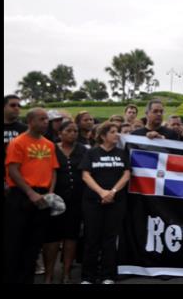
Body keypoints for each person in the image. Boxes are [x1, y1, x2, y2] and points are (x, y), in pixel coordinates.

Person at [4, 108, 59, 283]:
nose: (46, 122)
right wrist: (30, 193)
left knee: (34, 245)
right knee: (15, 243)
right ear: (30, 121)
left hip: (42, 196)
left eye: (47, 119)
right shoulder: (18, 142)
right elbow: (13, 170)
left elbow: (53, 171)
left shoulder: (49, 144)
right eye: (41, 119)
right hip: (21, 195)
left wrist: (50, 193)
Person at [78, 121, 131, 284]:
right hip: (93, 202)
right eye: (113, 132)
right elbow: (85, 175)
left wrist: (112, 192)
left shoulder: (122, 153)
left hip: (116, 202)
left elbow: (126, 175)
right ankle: (88, 276)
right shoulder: (91, 153)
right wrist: (101, 192)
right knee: (92, 238)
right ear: (102, 136)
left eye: (117, 132)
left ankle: (108, 275)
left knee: (110, 238)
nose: (117, 135)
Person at [42, 119, 87, 284]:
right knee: (52, 238)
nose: (73, 134)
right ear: (60, 133)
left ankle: (66, 273)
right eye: (68, 131)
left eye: (75, 131)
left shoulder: (83, 149)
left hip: (77, 199)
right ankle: (48, 274)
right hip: (56, 199)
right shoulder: (51, 148)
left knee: (71, 236)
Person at [4, 94, 28, 184]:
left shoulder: (26, 129)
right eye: (13, 105)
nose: (17, 108)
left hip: (20, 179)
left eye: (19, 106)